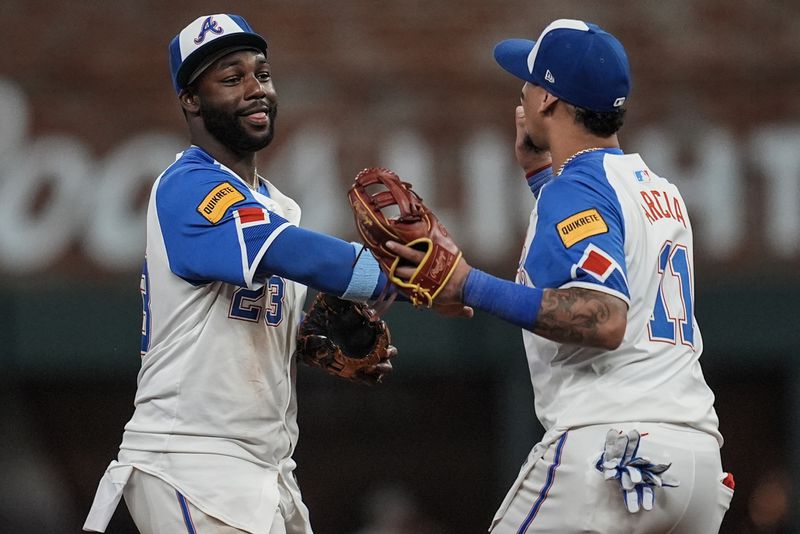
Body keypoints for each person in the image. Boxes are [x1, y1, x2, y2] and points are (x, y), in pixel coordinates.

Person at [387, 19, 733, 533]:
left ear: (547, 98)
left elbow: (604, 318)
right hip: (697, 467)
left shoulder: (575, 190)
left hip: (611, 453)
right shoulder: (658, 189)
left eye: (528, 81)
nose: (521, 93)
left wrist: (468, 284)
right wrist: (538, 175)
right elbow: (592, 236)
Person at [82, 13, 406, 534]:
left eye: (262, 74)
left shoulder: (279, 205)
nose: (256, 90)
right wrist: (402, 277)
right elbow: (284, 250)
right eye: (232, 79)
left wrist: (330, 333)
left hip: (266, 470)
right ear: (191, 99)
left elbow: (264, 324)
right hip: (190, 460)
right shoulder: (185, 186)